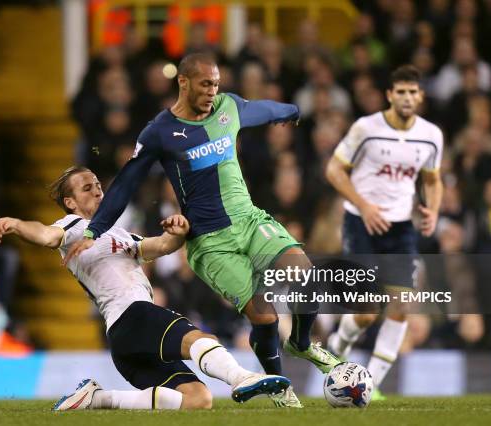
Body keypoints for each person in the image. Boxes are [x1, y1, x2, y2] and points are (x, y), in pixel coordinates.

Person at [62, 53, 341, 407]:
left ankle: (301, 343)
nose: (212, 91)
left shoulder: (228, 107)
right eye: (205, 84)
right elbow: (126, 183)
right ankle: (282, 390)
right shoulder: (159, 132)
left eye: (216, 84)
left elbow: (262, 110)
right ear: (183, 82)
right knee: (265, 315)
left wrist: (292, 110)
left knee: (307, 277)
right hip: (211, 242)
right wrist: (93, 231)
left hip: (250, 220)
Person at [0, 166, 292, 411]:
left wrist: (178, 231)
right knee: (197, 338)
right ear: (70, 202)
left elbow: (160, 245)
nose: (98, 189)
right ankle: (241, 377)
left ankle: (99, 399)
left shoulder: (118, 233)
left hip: (125, 338)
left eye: (98, 184)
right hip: (132, 315)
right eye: (87, 188)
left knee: (198, 400)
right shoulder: (72, 226)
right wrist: (18, 224)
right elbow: (46, 235)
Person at [325, 65, 443, 398]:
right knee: (366, 311)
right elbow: (333, 169)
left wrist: (432, 209)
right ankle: (337, 346)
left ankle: (369, 384)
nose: (407, 97)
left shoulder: (431, 135)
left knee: (401, 305)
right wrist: (364, 205)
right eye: (400, 91)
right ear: (390, 95)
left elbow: (433, 180)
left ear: (420, 96)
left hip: (401, 227)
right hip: (360, 222)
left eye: (412, 91)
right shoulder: (366, 129)